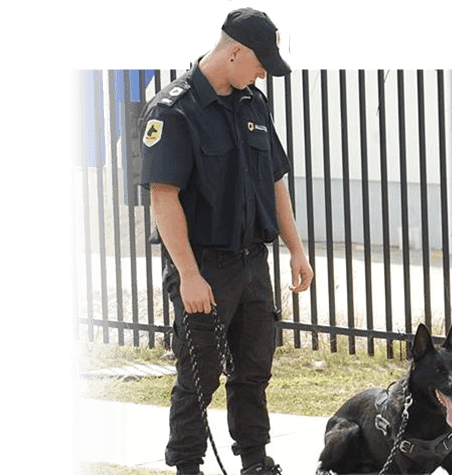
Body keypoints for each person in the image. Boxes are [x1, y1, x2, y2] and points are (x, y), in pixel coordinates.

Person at [139, 7, 313, 475]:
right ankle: (188, 466)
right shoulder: (174, 110)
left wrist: (296, 249)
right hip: (204, 268)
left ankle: (255, 462)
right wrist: (190, 276)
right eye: (259, 64)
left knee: (253, 373)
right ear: (234, 51)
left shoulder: (252, 103)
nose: (262, 74)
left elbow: (274, 182)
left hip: (254, 263)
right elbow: (163, 198)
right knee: (199, 378)